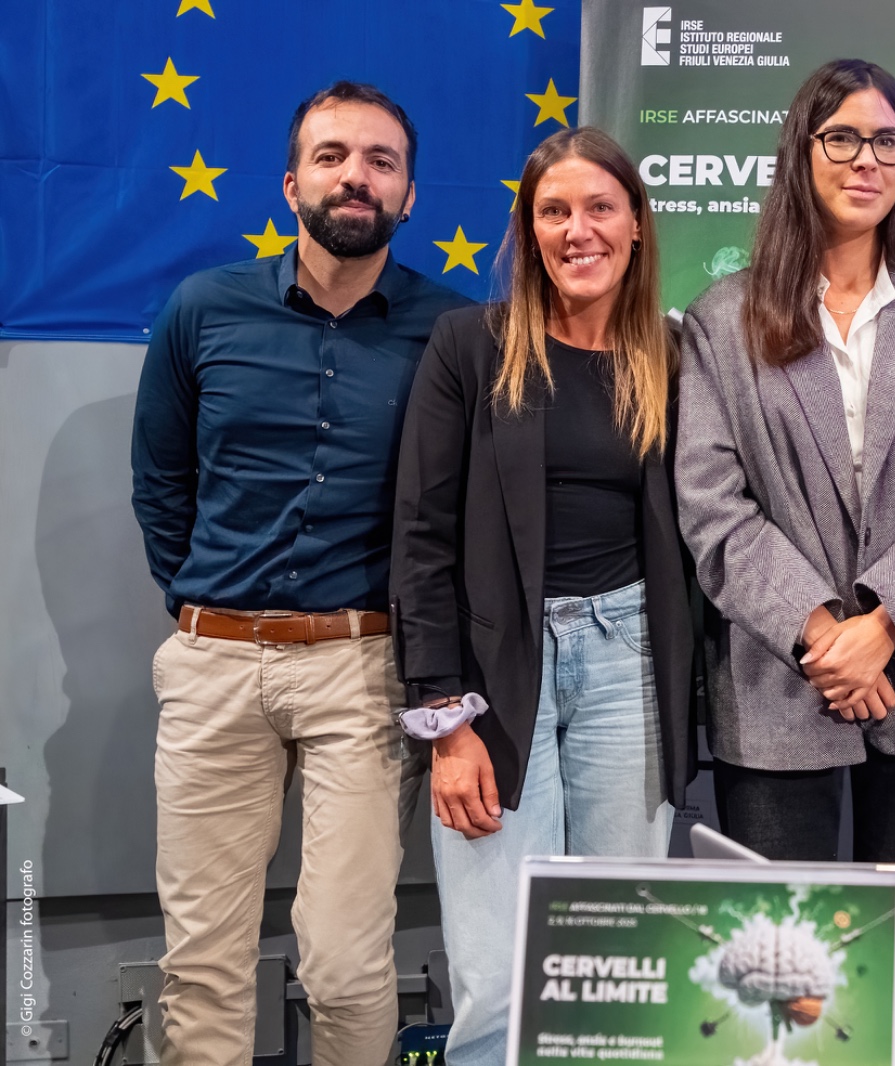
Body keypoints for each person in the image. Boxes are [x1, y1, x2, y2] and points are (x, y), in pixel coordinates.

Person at [130, 81, 471, 1065]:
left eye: (380, 161)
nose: (355, 176)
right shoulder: (203, 309)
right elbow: (161, 483)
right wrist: (205, 607)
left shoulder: (455, 332)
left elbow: (457, 515)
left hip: (362, 672)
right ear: (291, 185)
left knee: (347, 966)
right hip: (214, 666)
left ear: (409, 196)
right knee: (202, 965)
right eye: (331, 157)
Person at [675, 58, 895, 942]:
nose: (867, 159)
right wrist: (826, 636)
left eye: (888, 142)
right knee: (776, 951)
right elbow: (714, 506)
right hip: (778, 673)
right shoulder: (724, 318)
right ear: (802, 150)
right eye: (842, 138)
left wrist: (883, 627)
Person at [388, 125, 694, 1066]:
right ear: (527, 231)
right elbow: (420, 536)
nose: (577, 230)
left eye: (599, 207)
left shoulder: (674, 355)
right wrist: (444, 719)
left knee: (616, 958)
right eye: (552, 211)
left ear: (636, 224)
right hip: (492, 678)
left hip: (630, 663)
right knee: (497, 975)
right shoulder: (469, 346)